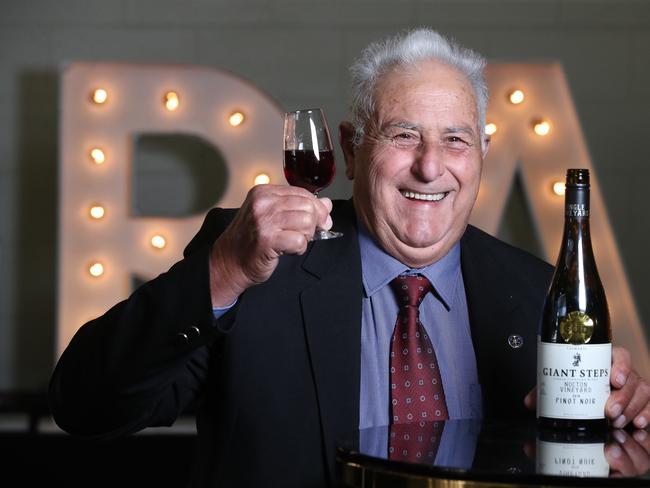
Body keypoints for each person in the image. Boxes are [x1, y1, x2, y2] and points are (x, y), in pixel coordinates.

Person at [48, 28, 650, 487]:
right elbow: (84, 405)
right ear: (352, 148)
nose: (430, 166)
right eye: (403, 134)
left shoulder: (536, 293)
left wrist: (618, 423)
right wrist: (222, 272)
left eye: (456, 139)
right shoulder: (255, 268)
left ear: (484, 154)